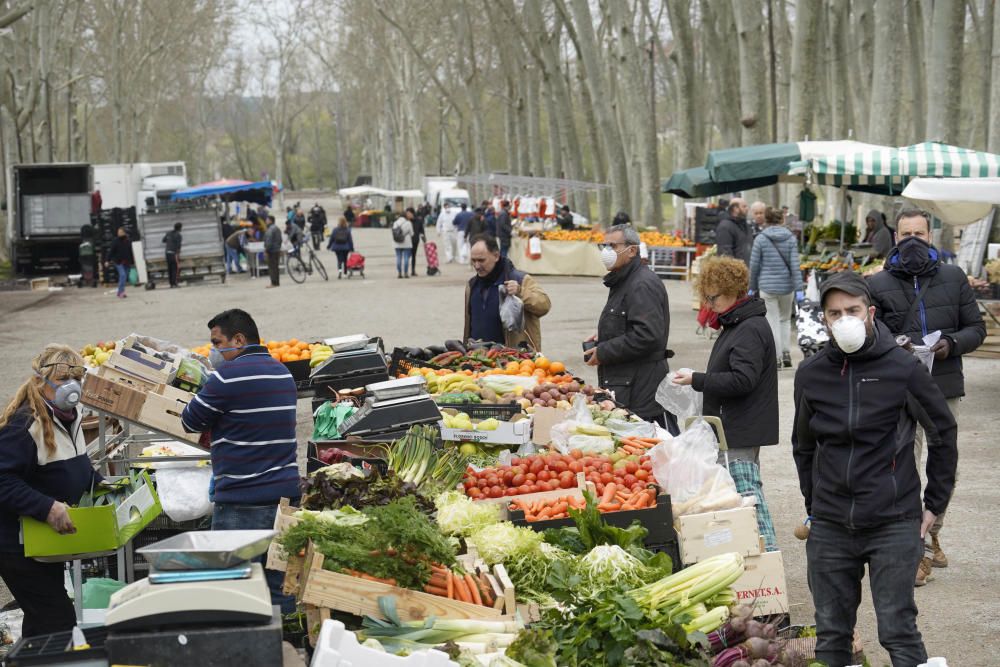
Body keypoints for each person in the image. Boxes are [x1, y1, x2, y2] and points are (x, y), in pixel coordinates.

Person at [792, 271, 957, 667]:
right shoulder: (811, 374)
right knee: (832, 634)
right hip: (831, 524)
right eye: (834, 313)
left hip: (893, 521)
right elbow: (804, 446)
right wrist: (816, 503)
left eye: (852, 310)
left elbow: (943, 433)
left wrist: (934, 504)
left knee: (897, 629)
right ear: (825, 320)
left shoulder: (903, 368)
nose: (844, 319)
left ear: (870, 312)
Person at [867, 208, 986, 583]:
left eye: (920, 232)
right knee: (903, 462)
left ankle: (934, 530)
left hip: (943, 383)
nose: (913, 240)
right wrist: (894, 345)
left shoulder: (953, 278)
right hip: (898, 387)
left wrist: (950, 344)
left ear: (931, 236)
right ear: (896, 237)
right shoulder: (878, 281)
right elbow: (873, 328)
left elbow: (976, 328)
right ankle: (912, 547)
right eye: (906, 234)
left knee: (944, 461)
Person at [180, 309, 299, 613]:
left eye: (217, 343)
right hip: (284, 501)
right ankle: (286, 649)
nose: (214, 351)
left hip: (241, 502)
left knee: (236, 593)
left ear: (239, 339)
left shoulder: (227, 376)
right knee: (281, 588)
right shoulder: (282, 372)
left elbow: (190, 420)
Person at [672, 256, 779, 549]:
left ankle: (765, 555)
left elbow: (743, 380)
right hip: (733, 425)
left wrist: (698, 379)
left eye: (713, 296)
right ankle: (747, 552)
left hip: (739, 428)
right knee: (737, 495)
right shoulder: (737, 323)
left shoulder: (749, 328)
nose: (708, 303)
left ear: (733, 291)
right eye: (706, 296)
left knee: (745, 495)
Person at [0, 345, 101, 638]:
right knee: (57, 621)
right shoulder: (24, 425)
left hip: (45, 543)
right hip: (17, 546)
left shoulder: (72, 415)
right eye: (63, 378)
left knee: (43, 619)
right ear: (40, 381)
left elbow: (75, 460)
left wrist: (94, 479)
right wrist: (47, 507)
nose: (72, 387)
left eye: (77, 378)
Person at [585, 224, 677, 433]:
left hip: (641, 388)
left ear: (632, 250)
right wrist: (607, 333)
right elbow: (632, 321)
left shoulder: (641, 284)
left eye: (612, 246)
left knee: (650, 444)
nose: (606, 252)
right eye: (604, 245)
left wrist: (604, 351)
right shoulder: (624, 279)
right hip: (629, 383)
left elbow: (647, 335)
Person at [464, 235, 550, 351]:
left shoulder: (520, 279)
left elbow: (544, 305)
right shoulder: (472, 285)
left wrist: (521, 292)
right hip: (479, 359)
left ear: (496, 256)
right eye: (473, 260)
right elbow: (469, 325)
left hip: (513, 360)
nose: (477, 266)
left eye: (481, 260)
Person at [749, 206, 804, 369]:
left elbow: (754, 265)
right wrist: (799, 288)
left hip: (767, 287)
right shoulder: (791, 239)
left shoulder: (760, 239)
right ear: (782, 219)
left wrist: (751, 287)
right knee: (785, 320)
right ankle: (786, 353)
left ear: (766, 220)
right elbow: (795, 265)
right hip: (787, 287)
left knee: (771, 321)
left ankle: (776, 357)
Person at [715, 198, 751, 265]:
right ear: (735, 208)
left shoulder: (746, 226)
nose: (747, 209)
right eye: (744, 206)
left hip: (746, 271)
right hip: (736, 272)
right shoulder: (725, 227)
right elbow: (725, 254)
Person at [107, 226, 133, 298]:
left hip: (127, 262)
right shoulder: (115, 241)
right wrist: (107, 260)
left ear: (124, 233)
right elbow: (111, 251)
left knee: (124, 277)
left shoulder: (128, 241)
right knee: (123, 275)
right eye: (118, 232)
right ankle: (121, 292)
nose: (119, 233)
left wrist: (133, 262)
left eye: (120, 232)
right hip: (118, 261)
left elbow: (130, 252)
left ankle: (119, 292)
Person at [392, 208, 415, 279]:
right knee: (406, 258)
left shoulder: (395, 223)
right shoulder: (408, 223)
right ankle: (405, 273)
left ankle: (399, 273)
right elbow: (412, 234)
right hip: (406, 243)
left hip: (397, 243)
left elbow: (394, 232)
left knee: (398, 257)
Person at [264, 215, 283, 288]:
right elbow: (280, 240)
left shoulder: (270, 229)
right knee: (276, 267)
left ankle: (273, 283)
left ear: (270, 221)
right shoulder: (277, 228)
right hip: (277, 249)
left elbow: (269, 241)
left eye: (267, 220)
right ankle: (277, 282)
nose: (266, 221)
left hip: (271, 251)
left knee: (272, 267)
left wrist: (266, 250)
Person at [163, 222, 183, 288]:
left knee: (170, 269)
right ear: (180, 228)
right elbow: (178, 246)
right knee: (175, 269)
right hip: (173, 253)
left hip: (167, 253)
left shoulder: (168, 233)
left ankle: (171, 284)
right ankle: (174, 284)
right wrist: (178, 255)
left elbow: (163, 240)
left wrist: (169, 241)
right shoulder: (178, 235)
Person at [410, 206, 426, 277]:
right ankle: (405, 271)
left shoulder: (418, 221)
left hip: (415, 240)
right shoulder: (407, 220)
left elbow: (422, 232)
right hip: (406, 241)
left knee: (413, 255)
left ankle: (413, 270)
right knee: (407, 256)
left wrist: (425, 241)